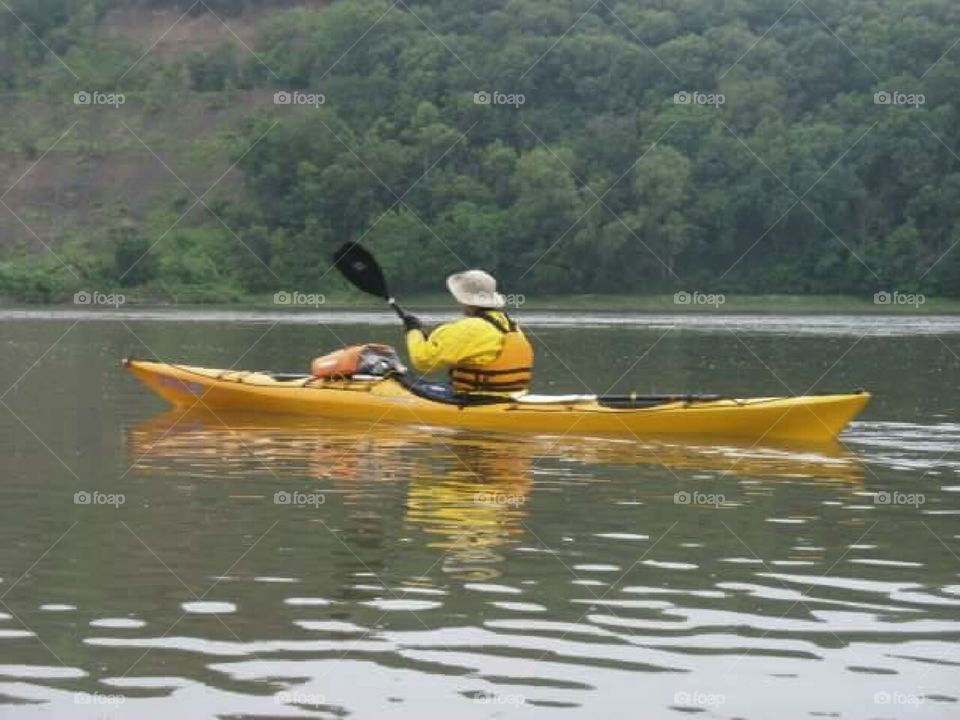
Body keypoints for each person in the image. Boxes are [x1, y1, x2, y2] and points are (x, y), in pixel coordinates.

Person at [402, 270, 534, 395]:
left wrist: (413, 331)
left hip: (476, 398)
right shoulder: (510, 325)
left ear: (464, 300)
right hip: (510, 394)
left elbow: (424, 360)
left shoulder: (470, 328)